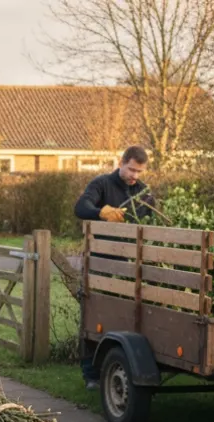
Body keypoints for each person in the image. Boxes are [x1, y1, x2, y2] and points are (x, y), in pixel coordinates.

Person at [74, 146, 154, 390]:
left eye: (139, 171)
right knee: (95, 313)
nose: (134, 176)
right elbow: (80, 208)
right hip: (99, 261)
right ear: (121, 163)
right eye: (131, 169)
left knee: (124, 316)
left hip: (130, 265)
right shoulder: (101, 184)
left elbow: (152, 221)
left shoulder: (143, 193)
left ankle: (120, 367)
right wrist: (100, 212)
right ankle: (91, 375)